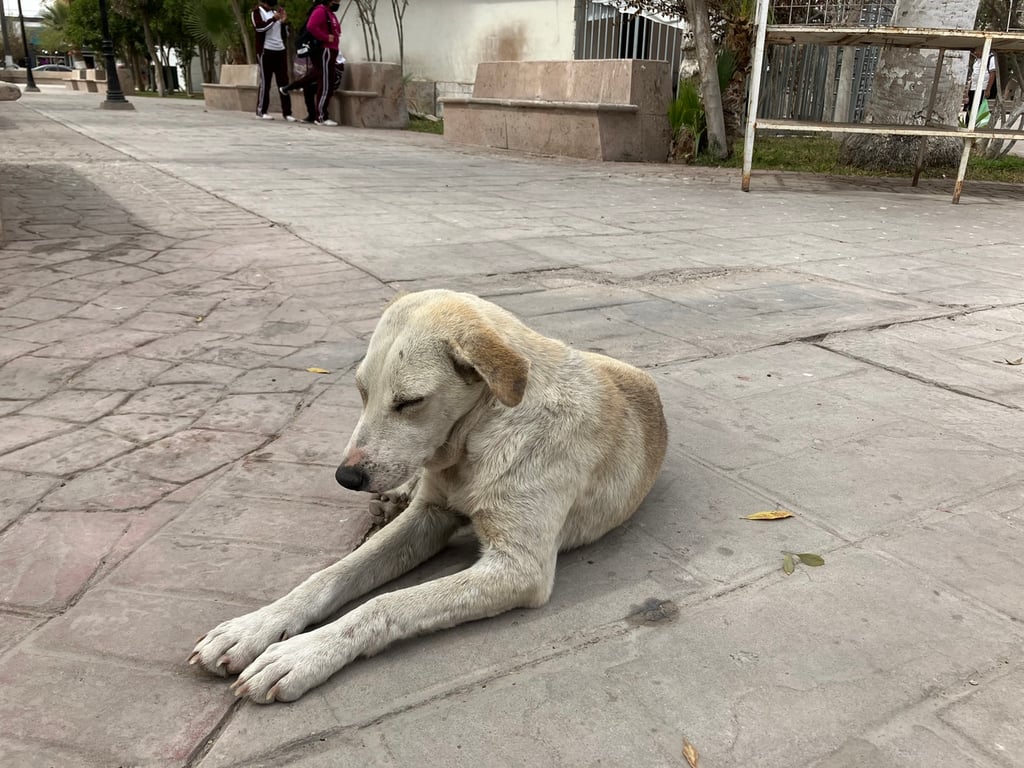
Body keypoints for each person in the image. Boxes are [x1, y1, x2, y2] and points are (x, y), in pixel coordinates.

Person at [280, 0, 341, 126]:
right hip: (325, 49)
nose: (338, 2)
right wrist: (325, 37)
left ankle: (319, 114)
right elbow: (311, 26)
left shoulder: (330, 13)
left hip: (332, 50)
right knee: (325, 83)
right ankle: (321, 116)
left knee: (324, 80)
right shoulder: (320, 11)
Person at [252, 0, 294, 121]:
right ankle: (261, 111)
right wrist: (274, 19)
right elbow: (260, 28)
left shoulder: (275, 12)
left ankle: (287, 113)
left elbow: (285, 34)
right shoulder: (256, 12)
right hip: (265, 51)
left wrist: (284, 22)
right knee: (266, 81)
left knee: (284, 82)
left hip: (280, 50)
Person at [965, 47, 997, 113]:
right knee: (970, 108)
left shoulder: (990, 58)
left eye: (977, 51)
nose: (975, 53)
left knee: (979, 108)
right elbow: (973, 75)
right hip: (973, 88)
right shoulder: (976, 60)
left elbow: (992, 74)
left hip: (982, 88)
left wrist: (988, 89)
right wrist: (968, 90)